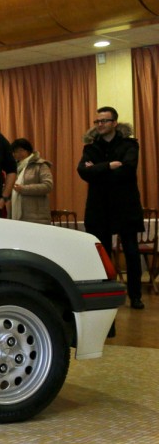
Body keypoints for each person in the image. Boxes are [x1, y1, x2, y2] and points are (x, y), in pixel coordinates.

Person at [78, 107, 145, 310]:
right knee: (101, 253)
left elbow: (128, 169)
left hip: (125, 206)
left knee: (131, 252)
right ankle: (105, 294)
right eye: (97, 121)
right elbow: (83, 171)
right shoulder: (90, 148)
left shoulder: (129, 144)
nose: (100, 125)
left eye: (104, 121)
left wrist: (96, 170)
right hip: (99, 207)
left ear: (114, 123)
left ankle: (135, 296)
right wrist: (109, 166)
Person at [9, 137, 53, 224]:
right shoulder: (15, 168)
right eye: (15, 151)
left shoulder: (40, 165)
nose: (16, 154)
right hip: (17, 216)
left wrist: (23, 189)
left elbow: (48, 186)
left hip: (36, 217)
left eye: (20, 150)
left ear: (28, 151)